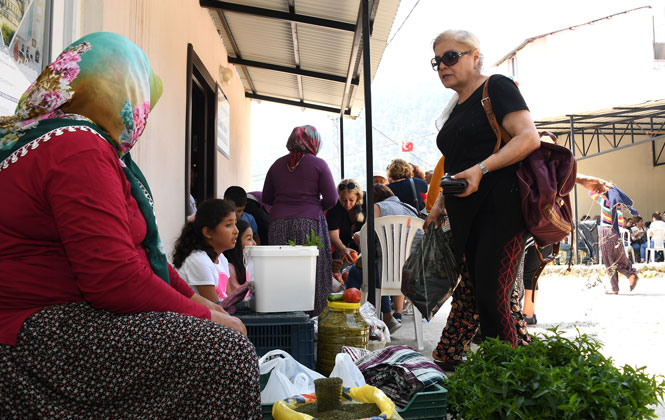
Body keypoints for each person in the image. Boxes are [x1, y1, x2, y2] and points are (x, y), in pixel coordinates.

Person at [0, 33, 260, 418]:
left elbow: (142, 256)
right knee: (226, 350)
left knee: (223, 328)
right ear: (120, 93)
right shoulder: (78, 147)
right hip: (35, 328)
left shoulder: (42, 136)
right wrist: (209, 317)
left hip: (52, 315)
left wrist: (200, 302)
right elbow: (113, 279)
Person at [424, 29, 541, 370]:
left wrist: (481, 169)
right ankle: (509, 373)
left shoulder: (497, 87)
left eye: (451, 56)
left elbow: (528, 137)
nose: (443, 66)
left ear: (475, 56)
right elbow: (457, 165)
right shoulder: (456, 105)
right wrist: (439, 205)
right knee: (480, 297)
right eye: (437, 61)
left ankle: (509, 379)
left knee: (493, 299)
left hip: (500, 208)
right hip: (466, 215)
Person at [262, 125, 337, 316]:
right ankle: (312, 319)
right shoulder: (318, 164)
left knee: (281, 272)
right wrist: (314, 204)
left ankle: (283, 317)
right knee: (313, 272)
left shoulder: (277, 164)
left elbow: (267, 198)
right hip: (308, 223)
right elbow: (332, 199)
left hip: (278, 223)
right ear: (314, 142)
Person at [345, 184, 422, 333]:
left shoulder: (377, 208)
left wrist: (359, 241)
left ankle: (349, 319)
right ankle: (387, 317)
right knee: (378, 268)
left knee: (357, 271)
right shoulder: (411, 209)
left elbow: (369, 248)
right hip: (412, 275)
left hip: (386, 273)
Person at [173, 199, 238, 303]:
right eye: (228, 225)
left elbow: (229, 301)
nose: (236, 231)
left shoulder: (222, 259)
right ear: (208, 232)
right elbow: (215, 307)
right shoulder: (199, 260)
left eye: (235, 224)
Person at [589, 186, 639, 294]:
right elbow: (620, 223)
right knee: (619, 259)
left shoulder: (604, 202)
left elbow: (590, 192)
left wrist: (600, 186)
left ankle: (615, 287)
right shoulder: (618, 207)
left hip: (606, 232)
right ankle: (630, 274)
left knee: (609, 261)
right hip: (616, 234)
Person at [327, 178, 366, 266]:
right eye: (343, 200)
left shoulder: (367, 203)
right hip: (342, 246)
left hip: (365, 246)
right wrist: (343, 249)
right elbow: (333, 236)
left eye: (351, 200)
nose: (347, 204)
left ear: (358, 197)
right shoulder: (333, 209)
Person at [224, 219, 256, 295]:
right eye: (249, 239)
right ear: (237, 241)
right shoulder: (230, 268)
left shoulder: (248, 263)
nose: (254, 243)